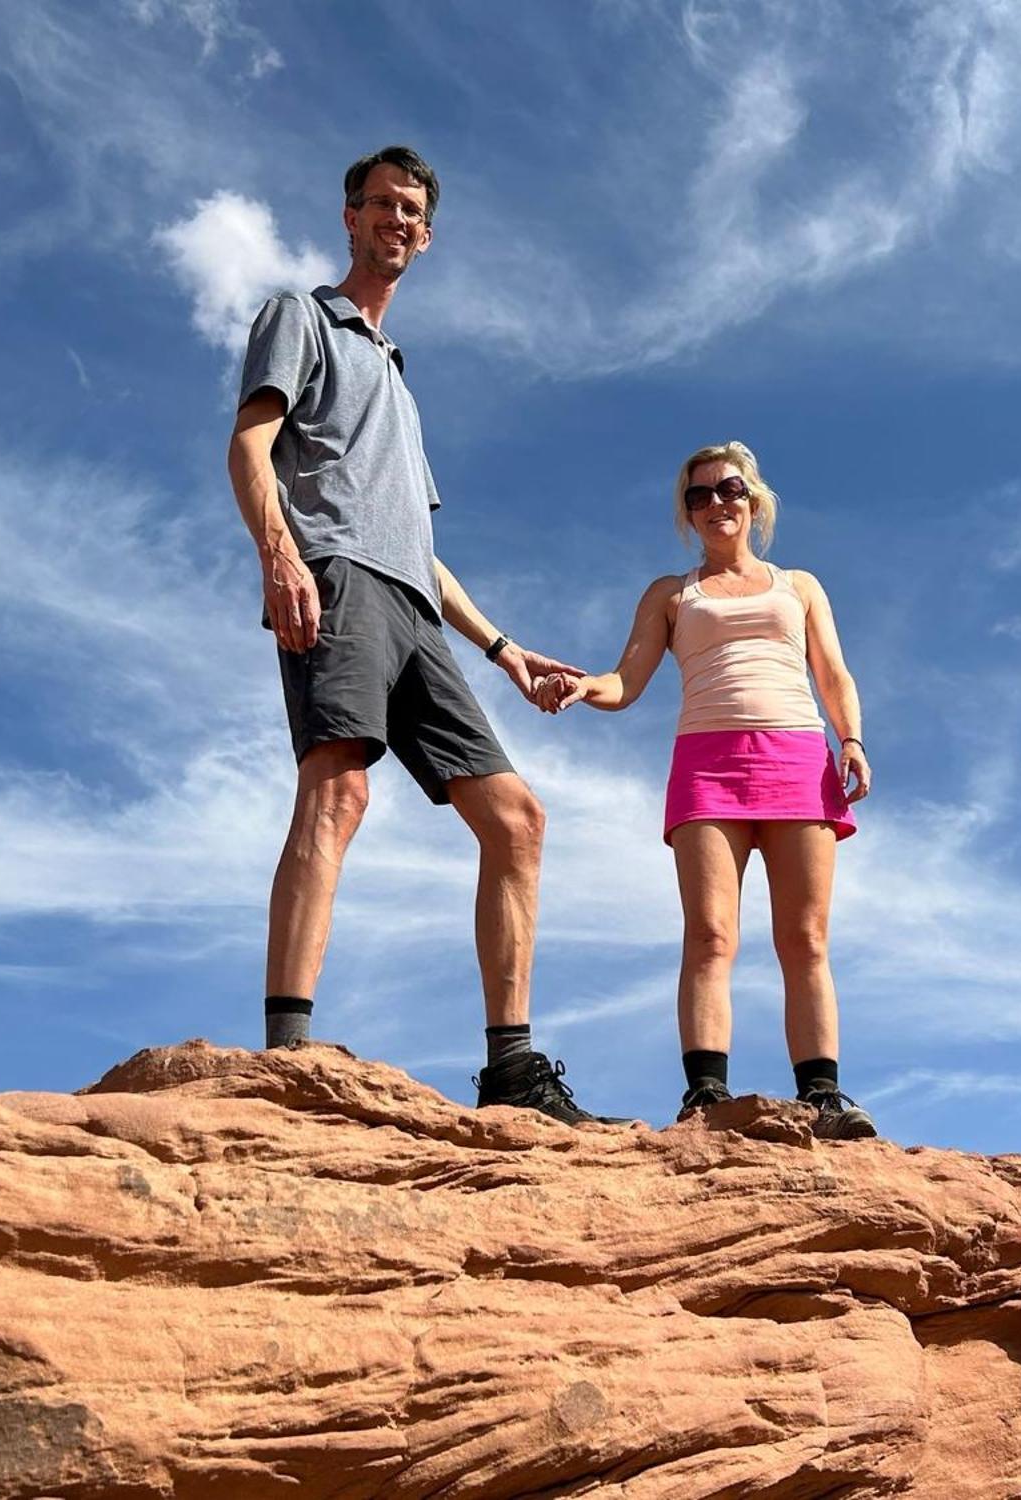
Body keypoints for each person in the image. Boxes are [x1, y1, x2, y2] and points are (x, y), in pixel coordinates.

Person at [225, 145, 615, 1125]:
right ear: (348, 216)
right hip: (336, 577)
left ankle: (511, 1072)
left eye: (413, 211)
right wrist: (279, 558)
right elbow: (248, 447)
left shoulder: (398, 382)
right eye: (381, 205)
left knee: (516, 816)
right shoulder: (303, 318)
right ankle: (285, 1053)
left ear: (427, 237)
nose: (397, 220)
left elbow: (424, 551)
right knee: (339, 785)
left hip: (412, 606)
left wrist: (505, 650)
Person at [535, 442, 877, 1138]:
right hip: (707, 764)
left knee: (805, 937)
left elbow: (832, 674)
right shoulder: (671, 594)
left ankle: (823, 1098)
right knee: (711, 934)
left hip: (796, 757)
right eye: (699, 495)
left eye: (729, 489)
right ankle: (705, 1094)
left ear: (754, 501)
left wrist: (851, 740)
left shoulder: (800, 586)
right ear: (687, 515)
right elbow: (626, 680)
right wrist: (581, 687)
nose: (716, 503)